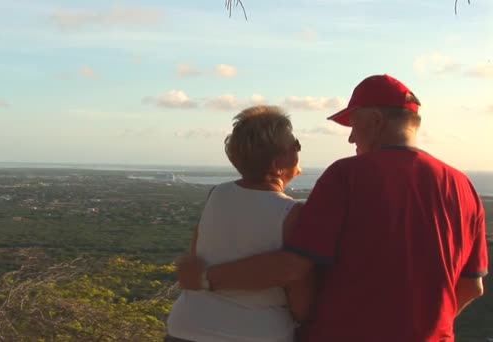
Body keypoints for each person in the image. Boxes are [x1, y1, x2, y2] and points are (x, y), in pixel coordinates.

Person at [176, 74, 488, 342]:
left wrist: (203, 278)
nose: (351, 137)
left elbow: (293, 266)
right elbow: (472, 286)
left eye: (353, 125)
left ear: (376, 121)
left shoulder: (348, 174)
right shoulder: (464, 188)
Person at [165, 106, 308, 342]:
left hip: (186, 327)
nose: (299, 150)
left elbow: (194, 258)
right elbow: (300, 297)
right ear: (276, 163)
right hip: (254, 333)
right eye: (296, 145)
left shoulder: (216, 195)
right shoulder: (292, 213)